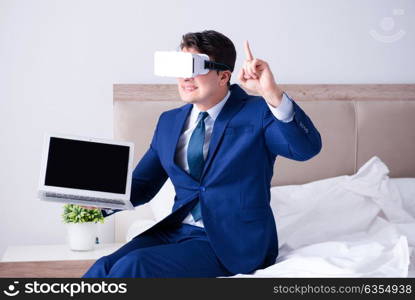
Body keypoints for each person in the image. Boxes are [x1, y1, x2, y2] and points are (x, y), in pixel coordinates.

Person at [82, 30, 322, 278]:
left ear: (223, 75)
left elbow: (305, 149)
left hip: (233, 242)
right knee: (104, 267)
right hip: (175, 230)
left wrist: (271, 94)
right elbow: (143, 184)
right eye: (181, 67)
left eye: (195, 67)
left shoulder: (259, 112)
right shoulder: (169, 122)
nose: (186, 77)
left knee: (135, 265)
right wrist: (96, 201)